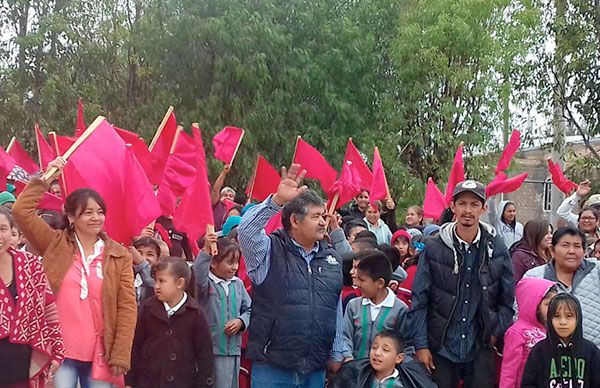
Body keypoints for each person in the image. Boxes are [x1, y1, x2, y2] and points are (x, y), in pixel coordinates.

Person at [12, 157, 137, 387]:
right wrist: (46, 179)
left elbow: (127, 307)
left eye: (100, 212)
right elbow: (21, 211)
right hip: (59, 353)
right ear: (71, 217)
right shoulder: (55, 244)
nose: (95, 218)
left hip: (101, 355)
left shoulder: (118, 255)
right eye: (87, 213)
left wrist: (120, 352)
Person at [237, 163, 345, 387]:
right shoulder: (269, 250)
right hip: (272, 366)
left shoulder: (331, 258)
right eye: (316, 216)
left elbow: (334, 306)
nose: (324, 222)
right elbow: (245, 232)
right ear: (295, 221)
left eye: (323, 216)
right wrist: (276, 201)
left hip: (314, 367)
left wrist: (337, 351)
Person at [409, 180, 515, 388]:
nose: (468, 210)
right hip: (440, 346)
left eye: (474, 204)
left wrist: (494, 333)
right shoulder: (434, 247)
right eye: (462, 203)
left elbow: (507, 300)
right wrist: (421, 344)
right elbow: (420, 299)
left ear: (483, 208)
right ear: (453, 207)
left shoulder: (497, 247)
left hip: (480, 345)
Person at [0, 207, 64, 387]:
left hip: (23, 367)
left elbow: (49, 308)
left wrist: (57, 350)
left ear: (13, 232)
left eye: (3, 229)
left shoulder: (31, 265)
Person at [127, 257, 214, 387]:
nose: (156, 286)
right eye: (155, 280)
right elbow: (137, 345)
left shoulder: (195, 313)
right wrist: (130, 382)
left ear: (179, 283)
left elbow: (205, 354)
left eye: (162, 281)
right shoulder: (148, 309)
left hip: (182, 381)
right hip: (149, 381)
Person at [523, 226, 600, 348]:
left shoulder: (596, 271)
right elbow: (522, 316)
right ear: (552, 250)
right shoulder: (534, 277)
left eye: (577, 246)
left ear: (584, 252)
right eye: (565, 245)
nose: (571, 251)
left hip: (594, 355)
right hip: (550, 356)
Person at [194, 236, 252, 388]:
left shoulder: (238, 284)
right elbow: (197, 277)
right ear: (213, 262)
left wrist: (241, 321)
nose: (234, 267)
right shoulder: (207, 283)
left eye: (236, 263)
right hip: (211, 350)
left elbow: (249, 309)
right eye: (230, 262)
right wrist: (206, 250)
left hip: (233, 350)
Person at [342, 250, 410, 361]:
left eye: (362, 280)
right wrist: (347, 358)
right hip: (355, 371)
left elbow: (406, 345)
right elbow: (345, 336)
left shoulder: (400, 309)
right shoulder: (353, 306)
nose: (357, 284)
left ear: (380, 283)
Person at [521, 293, 600, 388]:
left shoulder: (591, 351)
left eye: (569, 316)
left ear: (578, 319)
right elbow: (528, 384)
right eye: (557, 316)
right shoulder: (539, 351)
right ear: (550, 319)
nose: (563, 322)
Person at [499, 278, 557, 388]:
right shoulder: (517, 333)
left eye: (555, 304)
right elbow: (509, 371)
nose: (553, 309)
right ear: (533, 303)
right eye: (548, 304)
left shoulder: (552, 330)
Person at [331, 330, 436, 388]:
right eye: (374, 347)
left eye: (385, 350)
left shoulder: (403, 382)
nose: (377, 353)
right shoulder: (356, 373)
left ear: (399, 358)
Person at [131, 236, 162, 304]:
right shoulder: (126, 274)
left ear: (158, 259)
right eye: (139, 253)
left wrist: (141, 264)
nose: (144, 258)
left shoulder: (161, 278)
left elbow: (153, 286)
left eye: (150, 255)